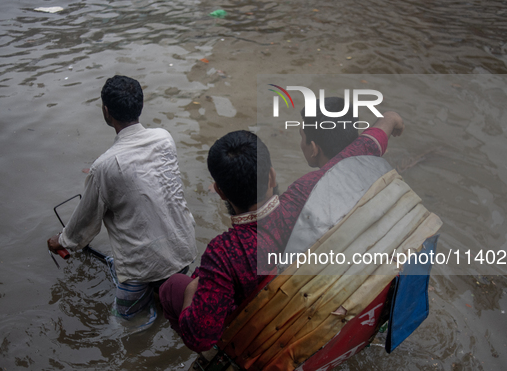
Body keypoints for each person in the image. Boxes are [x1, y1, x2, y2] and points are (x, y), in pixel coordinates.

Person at [159, 98, 404, 352]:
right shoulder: (305, 195)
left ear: (220, 192)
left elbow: (200, 338)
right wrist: (388, 120)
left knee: (173, 287)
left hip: (263, 337)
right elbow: (355, 154)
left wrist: (190, 292)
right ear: (272, 176)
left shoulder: (224, 254)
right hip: (315, 309)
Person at [47, 75, 198, 319]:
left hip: (140, 270)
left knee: (125, 324)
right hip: (182, 252)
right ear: (141, 105)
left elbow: (85, 223)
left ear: (106, 111)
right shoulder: (164, 138)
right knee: (171, 304)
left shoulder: (104, 166)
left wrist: (61, 242)